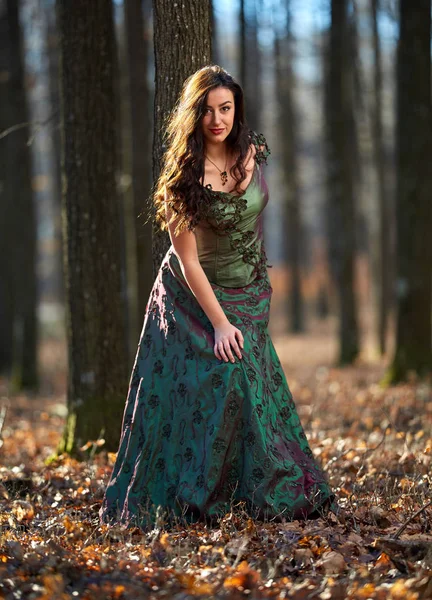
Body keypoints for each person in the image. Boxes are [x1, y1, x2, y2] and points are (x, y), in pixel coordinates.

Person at [99, 65, 339, 530]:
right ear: (194, 114)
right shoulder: (181, 178)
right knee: (227, 381)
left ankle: (258, 496)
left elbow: (255, 213)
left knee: (255, 390)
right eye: (207, 110)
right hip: (192, 294)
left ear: (236, 109)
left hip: (248, 291)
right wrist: (221, 323)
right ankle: (202, 499)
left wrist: (254, 279)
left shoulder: (250, 151)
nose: (217, 119)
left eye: (225, 108)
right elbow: (188, 261)